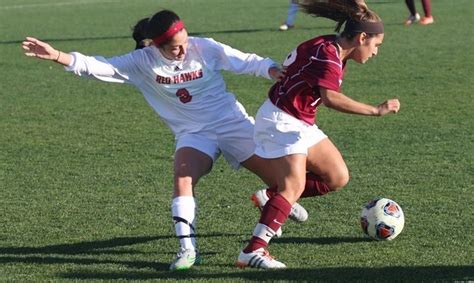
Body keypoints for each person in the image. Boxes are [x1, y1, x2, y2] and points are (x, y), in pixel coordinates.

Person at [21, 9, 308, 271]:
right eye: (174, 47)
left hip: (232, 123)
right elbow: (98, 66)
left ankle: (268, 199)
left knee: (286, 183)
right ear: (156, 45)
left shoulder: (203, 46)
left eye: (184, 42)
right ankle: (188, 251)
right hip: (194, 134)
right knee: (183, 177)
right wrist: (57, 55)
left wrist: (270, 68)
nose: (183, 49)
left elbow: (243, 60)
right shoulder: (142, 62)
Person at [236, 0, 401, 269]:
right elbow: (332, 98)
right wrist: (375, 110)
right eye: (376, 45)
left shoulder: (329, 44)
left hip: (299, 120)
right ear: (361, 38)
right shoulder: (328, 57)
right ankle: (253, 250)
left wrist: (361, 7)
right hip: (282, 120)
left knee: (336, 177)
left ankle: (271, 198)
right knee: (293, 187)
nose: (376, 52)